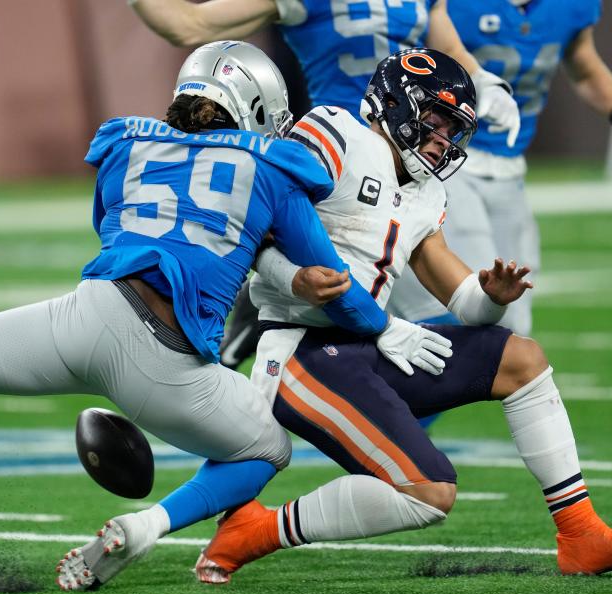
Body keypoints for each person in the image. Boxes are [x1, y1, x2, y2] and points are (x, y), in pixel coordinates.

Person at [0, 41, 452, 592]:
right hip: (167, 362)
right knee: (265, 449)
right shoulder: (274, 166)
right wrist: (386, 328)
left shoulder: (127, 146)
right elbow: (334, 284)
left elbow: (109, 230)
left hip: (81, 318)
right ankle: (148, 528)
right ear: (261, 109)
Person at [187, 49, 612, 583]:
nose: (445, 138)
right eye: (437, 120)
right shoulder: (335, 133)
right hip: (300, 349)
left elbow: (463, 300)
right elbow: (249, 221)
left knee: (522, 359)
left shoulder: (426, 192)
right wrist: (292, 278)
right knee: (429, 492)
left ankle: (582, 535)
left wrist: (493, 296)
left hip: (373, 343)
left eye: (454, 128)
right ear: (395, 103)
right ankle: (254, 530)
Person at [126, 0, 523, 369]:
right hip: (336, 164)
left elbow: (451, 50)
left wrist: (481, 82)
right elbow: (189, 23)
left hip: (407, 170)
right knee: (406, 332)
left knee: (444, 331)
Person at [388, 0, 612, 336]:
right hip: (450, 163)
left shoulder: (571, 8)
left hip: (511, 171)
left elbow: (582, 62)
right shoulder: (451, 7)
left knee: (515, 319)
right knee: (474, 307)